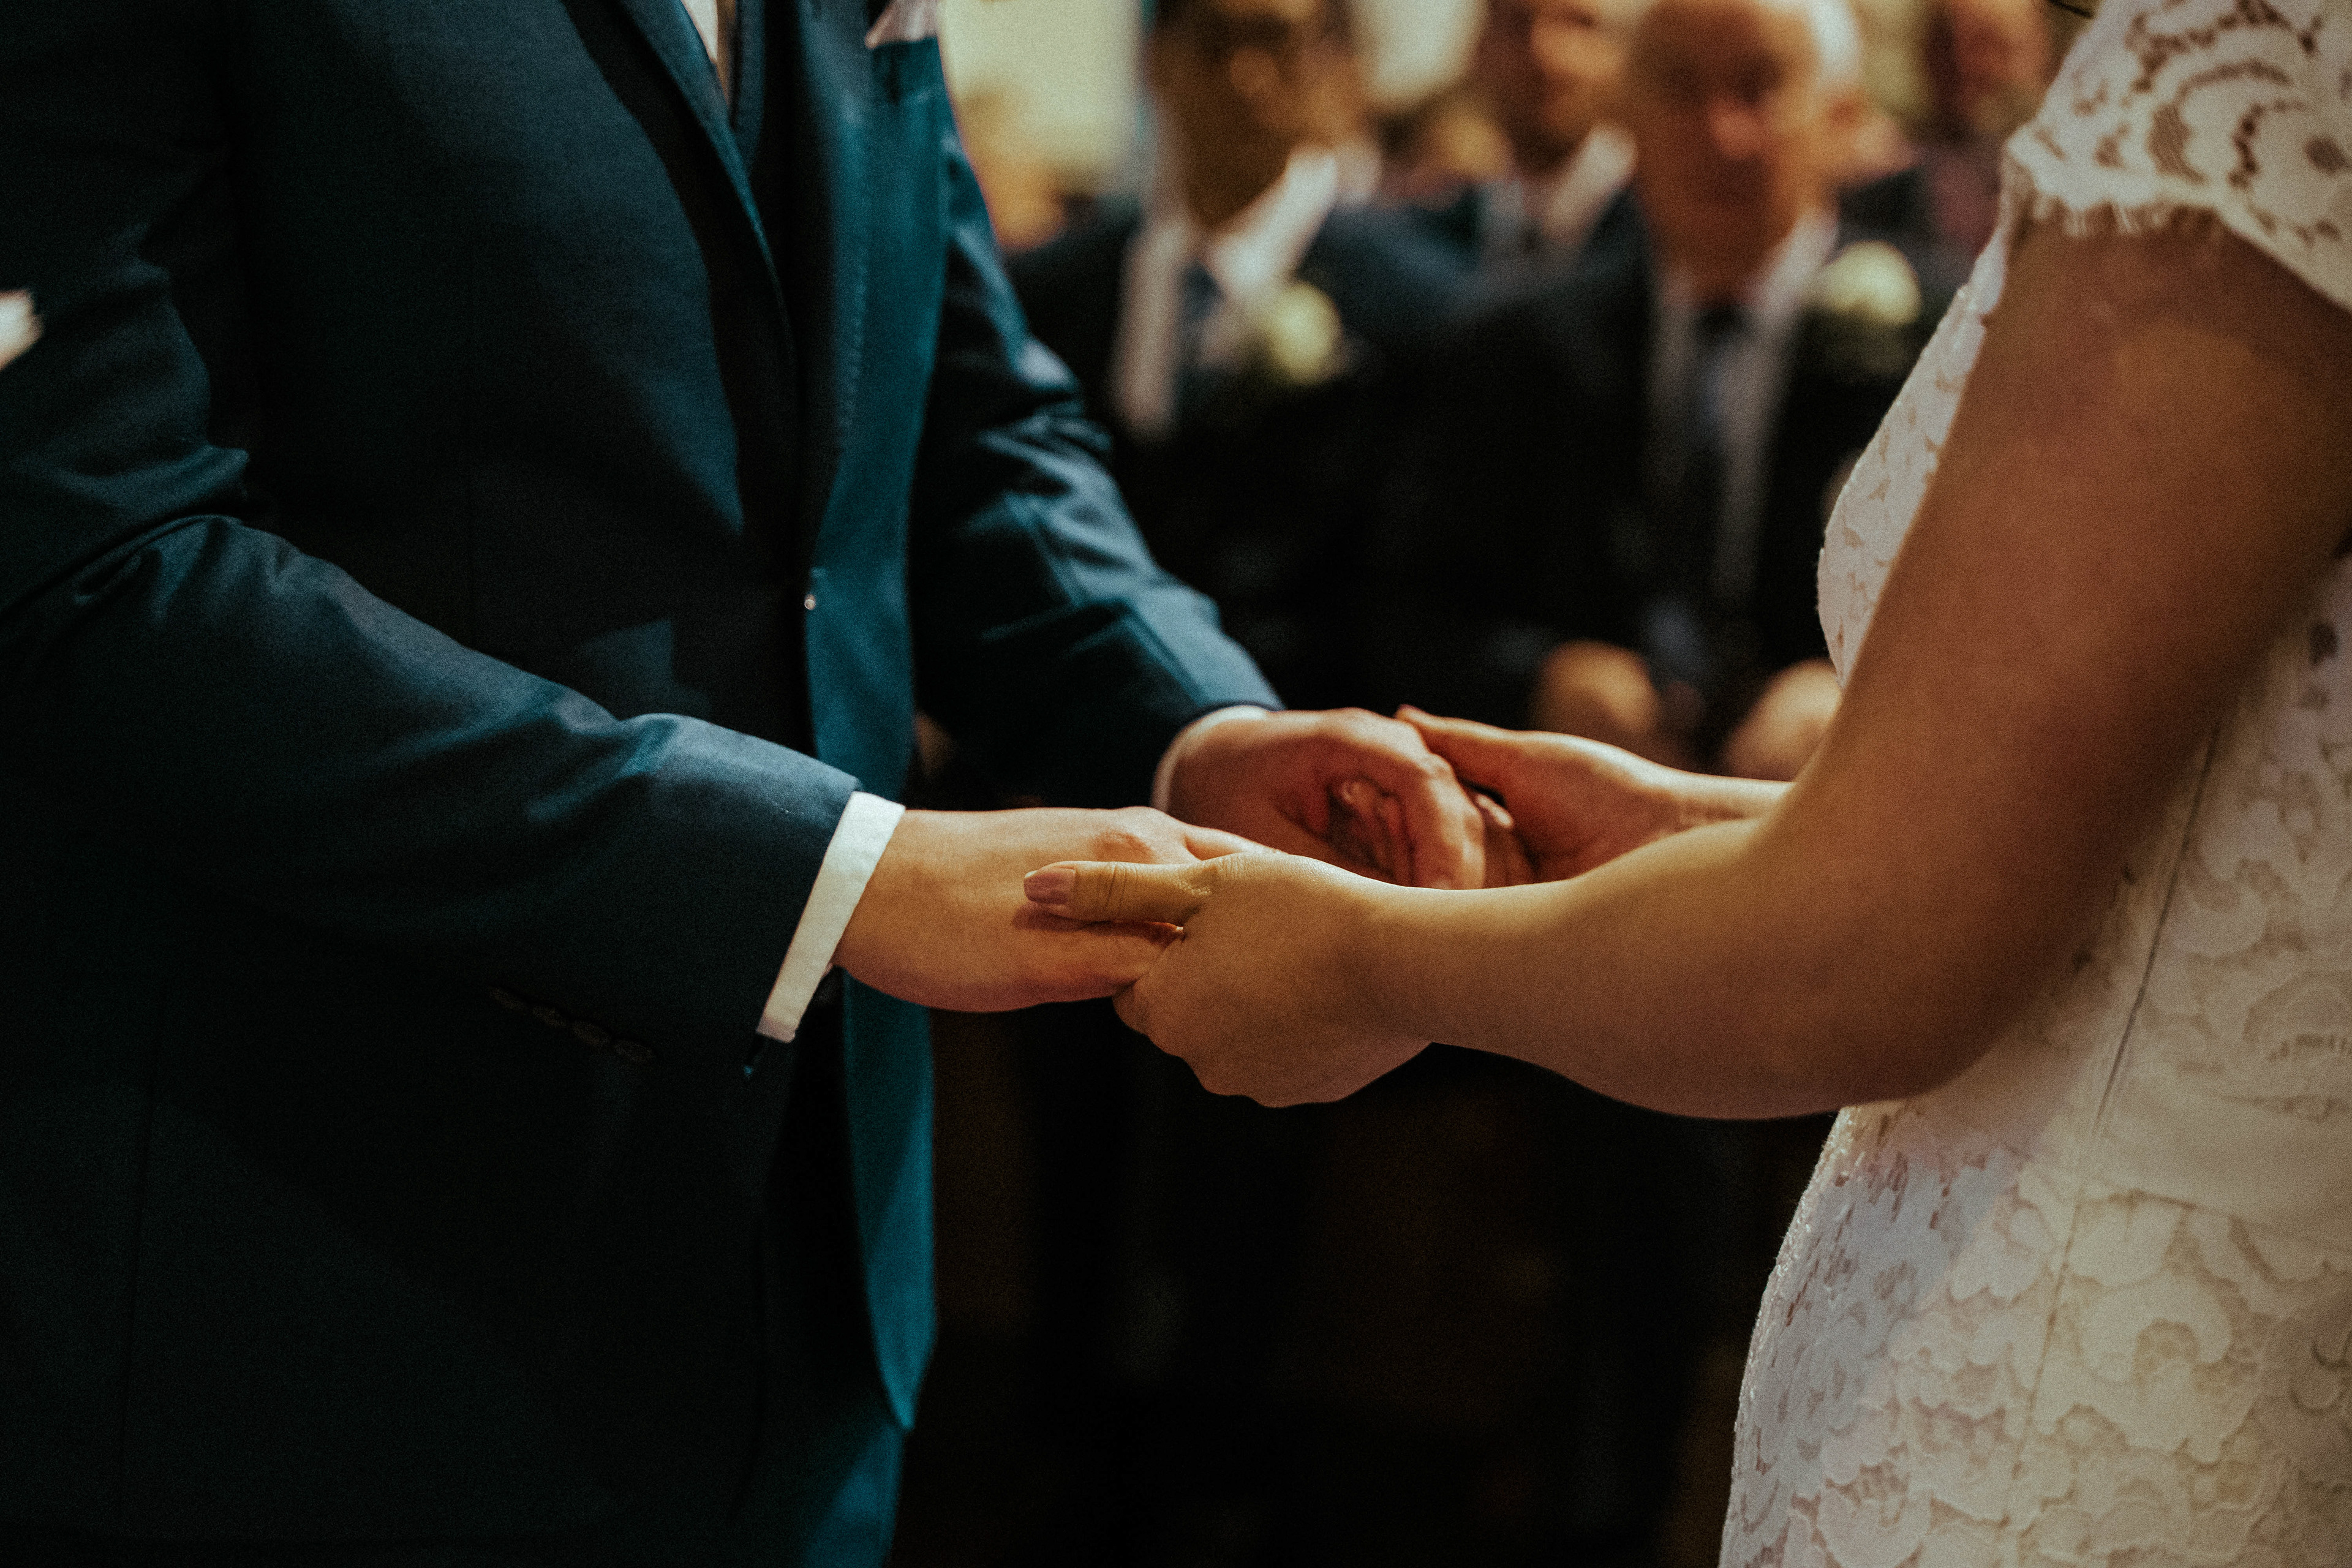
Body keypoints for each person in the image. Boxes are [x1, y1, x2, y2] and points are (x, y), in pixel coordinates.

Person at [0, 1, 1493, 1561]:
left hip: (813, 1286)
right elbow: (97, 566)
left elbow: (959, 421)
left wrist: (1193, 727)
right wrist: (811, 876)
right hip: (326, 1276)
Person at [1032, 0, 2352, 1558]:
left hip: (2089, 1372)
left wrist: (1358, 960)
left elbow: (1871, 950)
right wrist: (1716, 825)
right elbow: (2195, 855)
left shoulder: (2253, 74)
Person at [1374, 0, 1946, 780]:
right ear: (1625, 114)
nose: (1721, 134)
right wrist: (1543, 680)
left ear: (1838, 114)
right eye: (1680, 87)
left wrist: (1858, 689)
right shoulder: (1520, 347)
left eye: (1759, 88)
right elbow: (1398, 611)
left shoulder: (1946, 346)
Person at [1010, 0, 1467, 714]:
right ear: (1154, 59)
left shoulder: (1424, 307)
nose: (1245, 77)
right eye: (1214, 41)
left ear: (1334, 65)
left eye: (1277, 44)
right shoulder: (1049, 292)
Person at [1406, 0, 1645, 280]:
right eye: (1517, 24)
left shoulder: (1662, 234)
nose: (1545, 54)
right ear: (1478, 51)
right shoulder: (1433, 238)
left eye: (1580, 24)